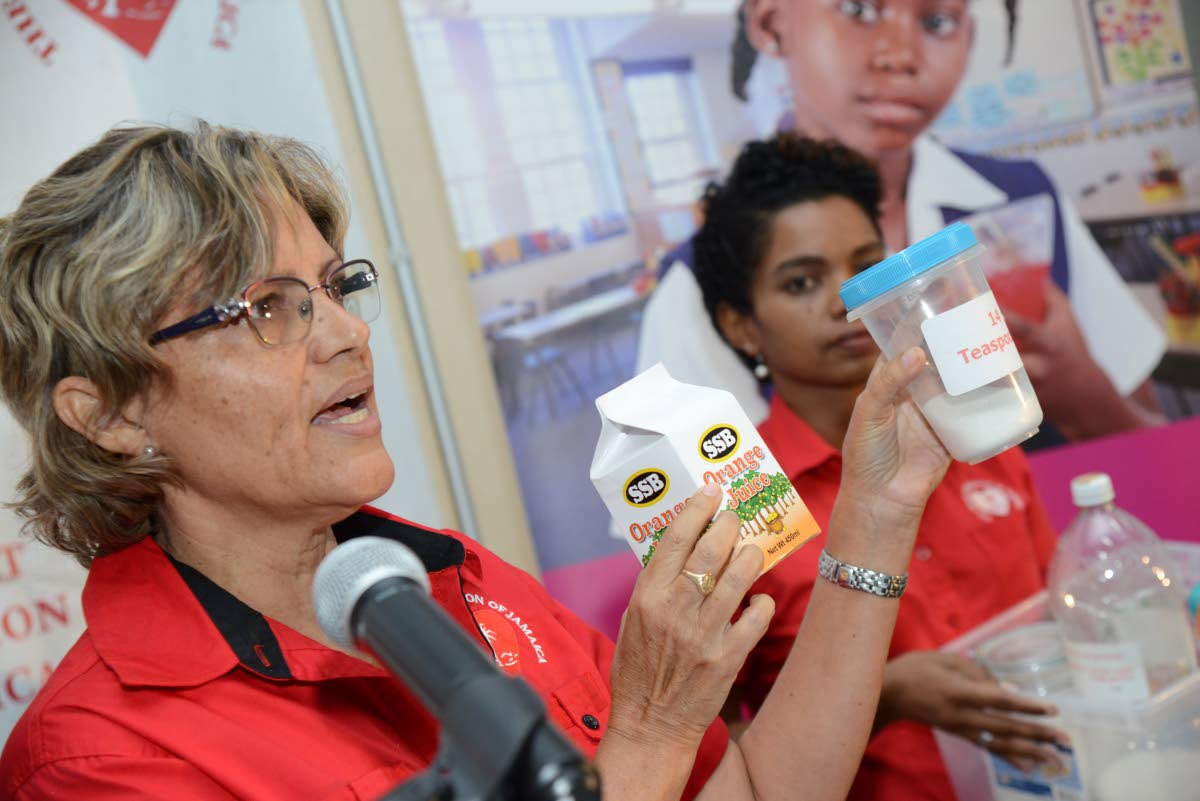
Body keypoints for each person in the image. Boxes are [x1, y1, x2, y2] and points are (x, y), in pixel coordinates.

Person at [0, 122, 952, 801]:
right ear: (111, 412)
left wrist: (877, 506)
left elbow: (761, 789)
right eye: (267, 308)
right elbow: (655, 761)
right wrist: (649, 735)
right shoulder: (95, 757)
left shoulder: (456, 582)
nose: (346, 335)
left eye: (333, 287)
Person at [693, 133, 1069, 801]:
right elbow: (702, 768)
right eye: (802, 282)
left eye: (868, 266)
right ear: (740, 325)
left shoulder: (977, 425)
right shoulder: (731, 511)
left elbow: (1060, 607)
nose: (847, 300)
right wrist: (884, 696)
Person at [637, 0, 1166, 444]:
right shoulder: (707, 280)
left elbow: (1151, 439)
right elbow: (701, 523)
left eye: (937, 21)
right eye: (858, 9)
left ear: (969, 35)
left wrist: (1083, 396)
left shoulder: (1023, 204)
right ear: (771, 22)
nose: (902, 56)